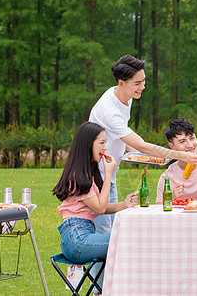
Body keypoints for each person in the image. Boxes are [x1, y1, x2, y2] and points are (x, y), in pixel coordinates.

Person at [88, 54, 197, 293]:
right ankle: (101, 289)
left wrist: (140, 155)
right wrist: (181, 155)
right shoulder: (109, 109)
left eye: (143, 81)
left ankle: (109, 287)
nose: (143, 87)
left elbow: (127, 142)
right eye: (137, 83)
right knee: (104, 236)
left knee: (112, 230)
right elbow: (141, 144)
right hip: (96, 177)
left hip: (109, 172)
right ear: (122, 82)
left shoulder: (124, 97)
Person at [52, 122, 138, 287]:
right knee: (127, 242)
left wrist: (125, 204)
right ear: (88, 144)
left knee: (128, 241)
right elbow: (99, 208)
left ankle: (106, 290)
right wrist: (108, 174)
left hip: (81, 236)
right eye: (102, 142)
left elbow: (101, 207)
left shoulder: (87, 175)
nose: (105, 147)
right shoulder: (77, 177)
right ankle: (114, 290)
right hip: (77, 239)